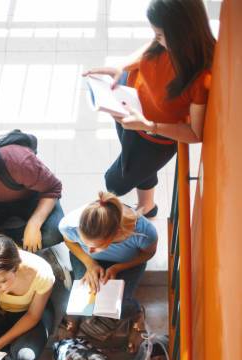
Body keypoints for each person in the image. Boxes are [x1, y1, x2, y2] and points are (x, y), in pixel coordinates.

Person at [84, 0, 215, 217]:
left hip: (152, 137)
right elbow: (150, 47)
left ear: (181, 33)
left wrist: (147, 125)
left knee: (115, 182)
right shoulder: (166, 44)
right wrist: (120, 68)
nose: (156, 39)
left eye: (160, 35)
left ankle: (146, 203)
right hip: (130, 106)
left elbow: (194, 133)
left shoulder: (201, 77)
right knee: (137, 164)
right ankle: (148, 204)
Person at [59, 191, 157, 346]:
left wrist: (118, 268)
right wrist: (90, 263)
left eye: (95, 247)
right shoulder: (69, 224)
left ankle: (137, 313)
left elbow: (147, 254)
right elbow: (70, 242)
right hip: (87, 262)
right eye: (86, 244)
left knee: (122, 305)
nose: (89, 250)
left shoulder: (143, 233)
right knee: (82, 295)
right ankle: (76, 315)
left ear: (117, 234)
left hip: (127, 263)